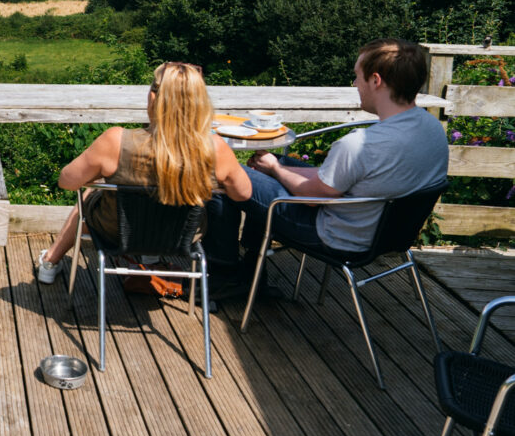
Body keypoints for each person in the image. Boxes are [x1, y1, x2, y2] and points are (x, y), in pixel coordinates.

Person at [203, 38, 448, 298]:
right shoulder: (431, 129)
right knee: (275, 164)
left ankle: (225, 277)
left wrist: (275, 169)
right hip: (385, 233)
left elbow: (313, 197)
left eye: (357, 77)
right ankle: (252, 273)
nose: (354, 85)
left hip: (336, 236)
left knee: (231, 176)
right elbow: (335, 182)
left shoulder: (361, 144)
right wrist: (277, 166)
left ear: (376, 80)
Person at [36, 61, 252, 284]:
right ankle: (150, 258)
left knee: (90, 193)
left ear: (154, 98)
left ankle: (50, 261)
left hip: (117, 231)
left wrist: (100, 175)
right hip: (182, 235)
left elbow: (67, 181)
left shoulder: (116, 141)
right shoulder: (215, 148)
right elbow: (243, 194)